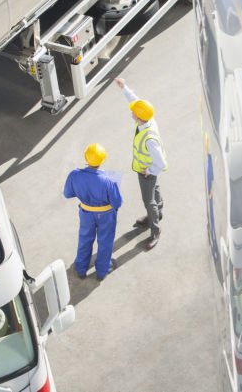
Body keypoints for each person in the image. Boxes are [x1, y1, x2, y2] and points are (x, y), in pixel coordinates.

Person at [114, 77, 166, 250]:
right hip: (146, 169)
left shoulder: (149, 138)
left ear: (139, 118)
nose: (132, 113)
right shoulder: (147, 118)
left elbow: (161, 162)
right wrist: (124, 88)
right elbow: (136, 101)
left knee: (148, 200)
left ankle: (155, 230)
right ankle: (158, 212)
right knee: (155, 189)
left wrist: (149, 170)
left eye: (134, 113)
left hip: (146, 171)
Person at [63, 143, 123, 280]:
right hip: (106, 215)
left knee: (85, 239)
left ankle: (80, 268)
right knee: (105, 241)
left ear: (86, 158)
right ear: (102, 161)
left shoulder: (74, 175)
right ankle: (102, 271)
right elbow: (117, 203)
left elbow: (67, 194)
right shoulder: (109, 180)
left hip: (86, 213)